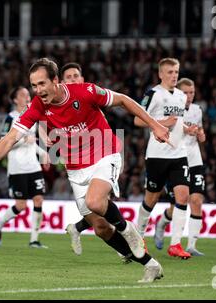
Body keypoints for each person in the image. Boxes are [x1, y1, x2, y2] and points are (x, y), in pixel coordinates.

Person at [0, 58, 169, 282]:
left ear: (55, 81)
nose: (38, 90)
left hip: (105, 153)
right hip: (75, 168)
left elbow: (124, 100)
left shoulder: (85, 91)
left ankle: (128, 231)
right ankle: (151, 265)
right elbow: (9, 139)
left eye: (42, 84)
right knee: (100, 228)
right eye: (34, 86)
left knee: (95, 201)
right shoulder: (37, 106)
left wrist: (155, 125)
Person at [60, 62, 133, 263]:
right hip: (76, 170)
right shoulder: (53, 105)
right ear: (60, 82)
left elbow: (114, 116)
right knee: (100, 227)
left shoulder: (89, 100)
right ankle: (78, 227)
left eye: (76, 76)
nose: (73, 79)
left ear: (83, 80)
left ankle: (132, 249)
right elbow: (40, 121)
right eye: (69, 77)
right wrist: (44, 136)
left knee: (99, 203)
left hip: (101, 159)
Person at [135, 58, 198, 260]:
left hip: (179, 154)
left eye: (176, 72)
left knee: (183, 197)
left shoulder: (181, 96)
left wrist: (187, 129)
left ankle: (176, 244)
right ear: (161, 74)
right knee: (151, 199)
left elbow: (177, 124)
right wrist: (163, 122)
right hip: (157, 155)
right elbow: (137, 119)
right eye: (170, 72)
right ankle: (137, 239)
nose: (173, 75)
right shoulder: (153, 94)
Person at [0, 86, 50, 249]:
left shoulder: (32, 116)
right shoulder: (11, 118)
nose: (27, 97)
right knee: (21, 205)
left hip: (33, 166)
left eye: (27, 94)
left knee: (39, 199)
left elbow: (32, 143)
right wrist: (24, 141)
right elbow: (4, 141)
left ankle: (34, 240)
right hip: (17, 168)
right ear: (15, 100)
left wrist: (43, 153)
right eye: (23, 95)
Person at [154, 78, 206, 256]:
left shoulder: (197, 110)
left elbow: (201, 133)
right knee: (177, 204)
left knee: (196, 200)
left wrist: (200, 134)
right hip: (175, 157)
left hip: (194, 158)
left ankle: (191, 245)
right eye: (186, 92)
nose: (189, 96)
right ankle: (161, 223)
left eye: (192, 92)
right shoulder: (171, 108)